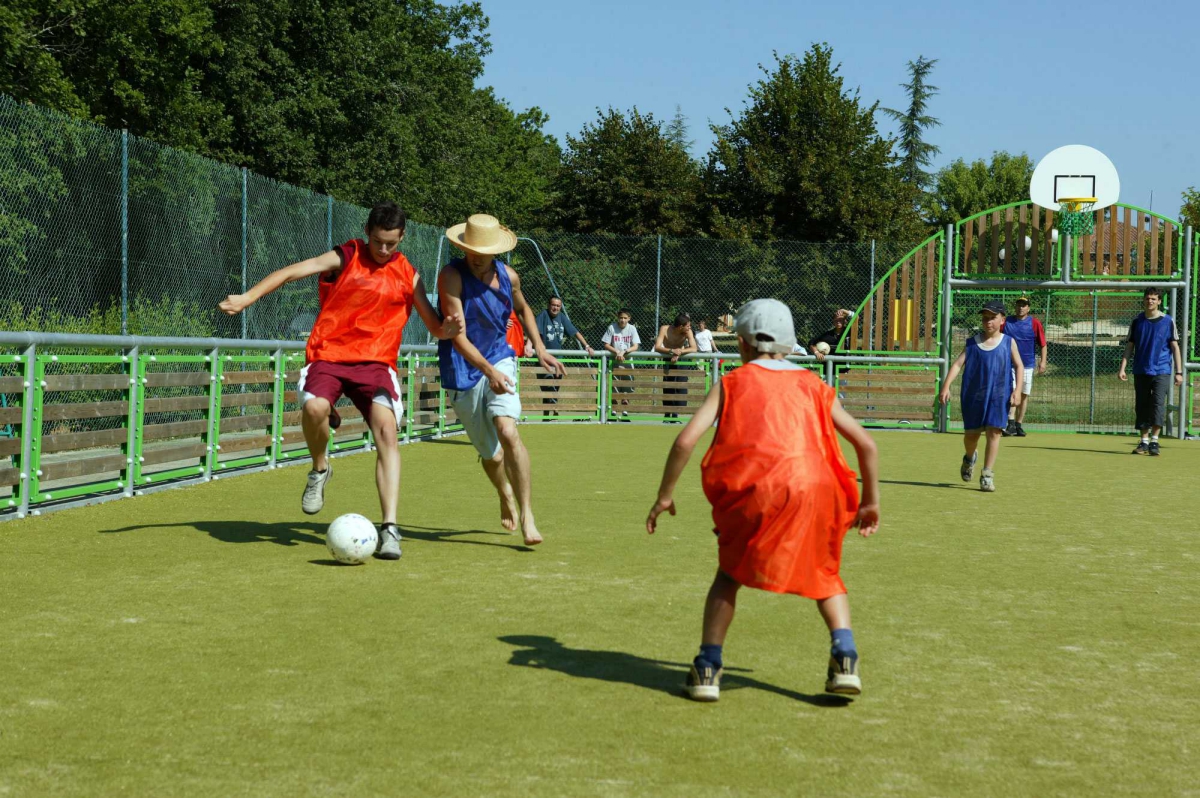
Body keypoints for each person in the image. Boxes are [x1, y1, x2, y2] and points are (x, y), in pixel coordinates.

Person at [646, 298, 880, 702]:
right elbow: (866, 444)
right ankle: (844, 656)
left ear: (741, 342)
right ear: (789, 342)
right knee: (825, 573)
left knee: (729, 575)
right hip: (815, 488)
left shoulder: (732, 381)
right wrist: (870, 501)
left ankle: (707, 667)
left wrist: (665, 495)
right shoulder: (815, 385)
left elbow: (686, 440)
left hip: (753, 490)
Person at [219, 201, 461, 559]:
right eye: (378, 241)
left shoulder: (409, 275)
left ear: (401, 238)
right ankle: (320, 469)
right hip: (329, 355)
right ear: (368, 233)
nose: (383, 250)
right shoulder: (345, 257)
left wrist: (448, 329)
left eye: (391, 244)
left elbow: (435, 327)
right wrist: (246, 298)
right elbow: (291, 272)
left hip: (376, 363)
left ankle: (390, 528)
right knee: (315, 408)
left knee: (386, 429)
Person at [437, 213, 563, 546]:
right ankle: (503, 492)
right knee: (491, 456)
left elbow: (523, 310)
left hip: (500, 356)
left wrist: (539, 346)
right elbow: (456, 336)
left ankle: (528, 515)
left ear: (496, 250)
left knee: (508, 429)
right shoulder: (451, 276)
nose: (476, 257)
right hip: (462, 367)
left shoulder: (510, 276)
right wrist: (486, 372)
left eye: (483, 251)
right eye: (471, 250)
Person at [939, 300, 1023, 492]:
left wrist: (1017, 391)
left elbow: (1018, 365)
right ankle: (969, 458)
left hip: (999, 396)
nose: (988, 321)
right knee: (971, 437)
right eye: (985, 318)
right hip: (973, 397)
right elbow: (958, 365)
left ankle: (987, 474)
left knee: (994, 432)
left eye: (993, 317)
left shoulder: (1008, 342)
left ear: (1002, 319)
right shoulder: (972, 343)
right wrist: (946, 386)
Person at [1118, 287, 1183, 456]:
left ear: (1159, 301)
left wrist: (1179, 371)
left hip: (1162, 370)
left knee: (1157, 404)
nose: (1150, 301)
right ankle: (1144, 442)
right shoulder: (1137, 321)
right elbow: (1130, 347)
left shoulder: (1168, 321)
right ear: (1144, 300)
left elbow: (1175, 347)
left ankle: (1155, 441)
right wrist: (1122, 368)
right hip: (1141, 370)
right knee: (1141, 406)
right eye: (1147, 298)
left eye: (1154, 299)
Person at [533, 296, 595, 416]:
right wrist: (531, 346)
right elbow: (534, 332)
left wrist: (586, 345)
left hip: (558, 359)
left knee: (556, 386)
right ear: (548, 305)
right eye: (553, 305)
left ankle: (553, 412)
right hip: (544, 358)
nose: (555, 308)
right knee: (547, 385)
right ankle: (548, 413)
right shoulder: (543, 315)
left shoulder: (562, 317)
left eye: (558, 306)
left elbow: (575, 332)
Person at [1001, 296, 1047, 437]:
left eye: (1024, 305)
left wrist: (1043, 361)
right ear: (1015, 307)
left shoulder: (1034, 323)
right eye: (1019, 305)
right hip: (1009, 364)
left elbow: (1043, 344)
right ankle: (1010, 423)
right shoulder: (1006, 322)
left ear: (1028, 308)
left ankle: (1018, 425)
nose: (1021, 307)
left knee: (1024, 394)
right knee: (1013, 391)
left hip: (1027, 365)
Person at [653, 313, 698, 420]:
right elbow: (657, 347)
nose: (689, 327)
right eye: (687, 326)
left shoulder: (688, 332)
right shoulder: (664, 329)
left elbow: (694, 348)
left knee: (681, 385)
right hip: (668, 357)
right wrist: (671, 351)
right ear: (680, 326)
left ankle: (676, 414)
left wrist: (679, 352)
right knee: (668, 385)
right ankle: (667, 414)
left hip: (680, 358)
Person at [602, 309, 641, 416]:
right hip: (614, 363)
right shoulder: (611, 327)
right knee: (614, 387)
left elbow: (635, 345)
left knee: (627, 388)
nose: (622, 320)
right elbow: (606, 344)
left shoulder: (632, 329)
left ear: (629, 318)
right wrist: (617, 352)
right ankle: (613, 411)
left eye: (625, 318)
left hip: (628, 363)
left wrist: (624, 352)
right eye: (621, 318)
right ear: (617, 318)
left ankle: (625, 411)